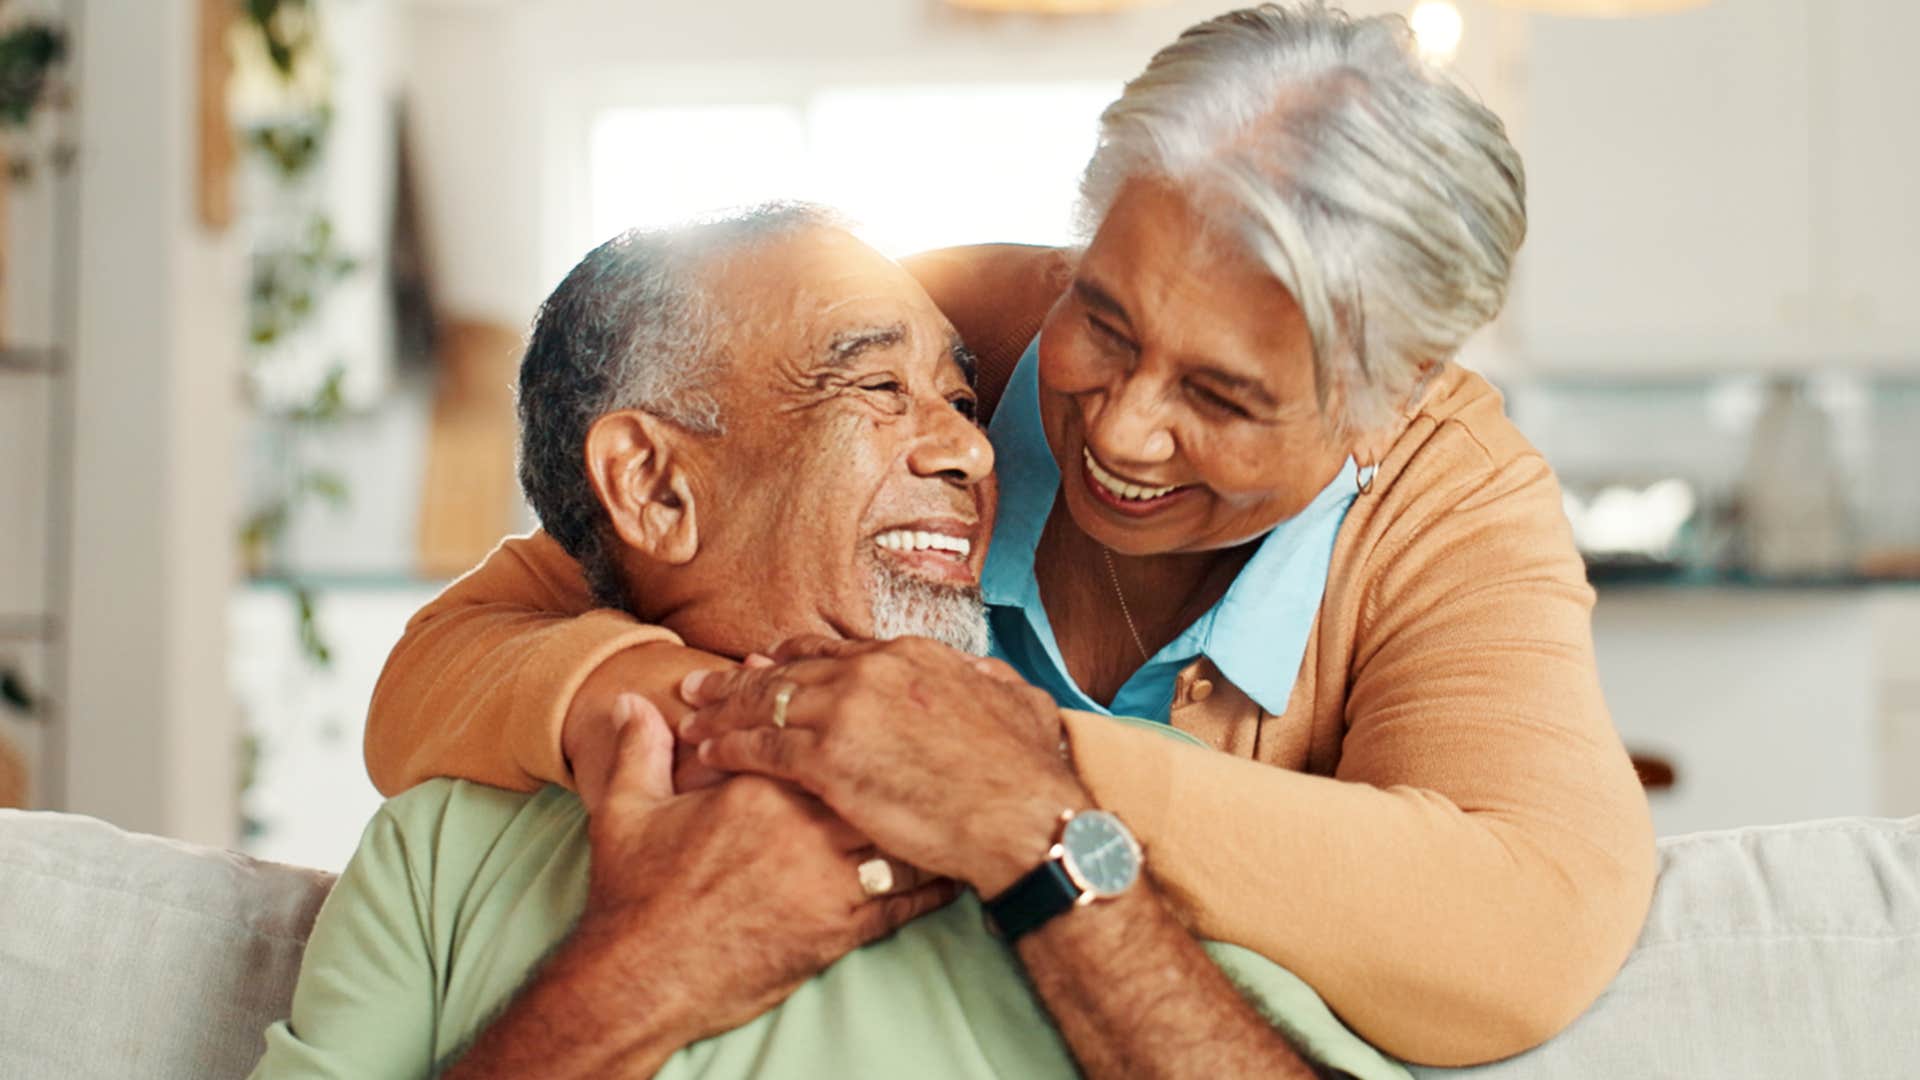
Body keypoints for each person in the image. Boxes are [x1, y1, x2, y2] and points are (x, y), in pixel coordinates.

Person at [364, 3, 1655, 1066]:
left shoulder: (1452, 495)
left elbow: (1521, 931)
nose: (1124, 431)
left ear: (1391, 400)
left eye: (1223, 396)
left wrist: (1007, 779)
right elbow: (484, 632)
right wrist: (759, 714)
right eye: (1105, 318)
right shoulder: (946, 336)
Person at [254, 208, 1406, 1080]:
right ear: (655, 486)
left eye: (958, 397)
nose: (972, 453)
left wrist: (1040, 841)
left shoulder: (1116, 811)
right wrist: (652, 964)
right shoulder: (439, 854)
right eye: (875, 387)